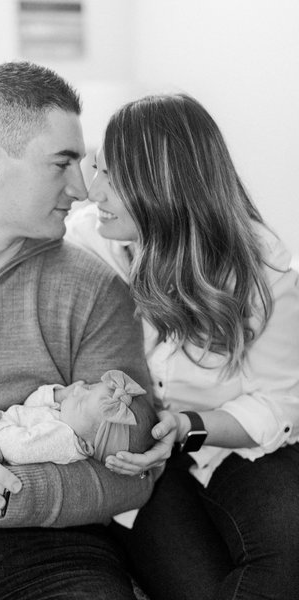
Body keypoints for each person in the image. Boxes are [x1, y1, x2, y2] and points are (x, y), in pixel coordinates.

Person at [0, 62, 157, 600]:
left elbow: (130, 468)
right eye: (62, 163)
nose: (83, 187)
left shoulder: (96, 289)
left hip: (52, 550)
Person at [66, 93, 299, 600]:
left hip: (226, 443)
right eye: (95, 168)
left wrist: (188, 428)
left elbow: (280, 402)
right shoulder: (83, 249)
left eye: (112, 177)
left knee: (289, 562)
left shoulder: (262, 269)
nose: (91, 190)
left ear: (164, 185)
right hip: (133, 461)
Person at [0, 370, 151, 465]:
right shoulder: (66, 419)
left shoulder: (62, 439)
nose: (78, 389)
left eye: (81, 402)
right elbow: (27, 408)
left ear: (86, 445)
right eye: (89, 388)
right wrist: (56, 396)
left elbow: (14, 449)